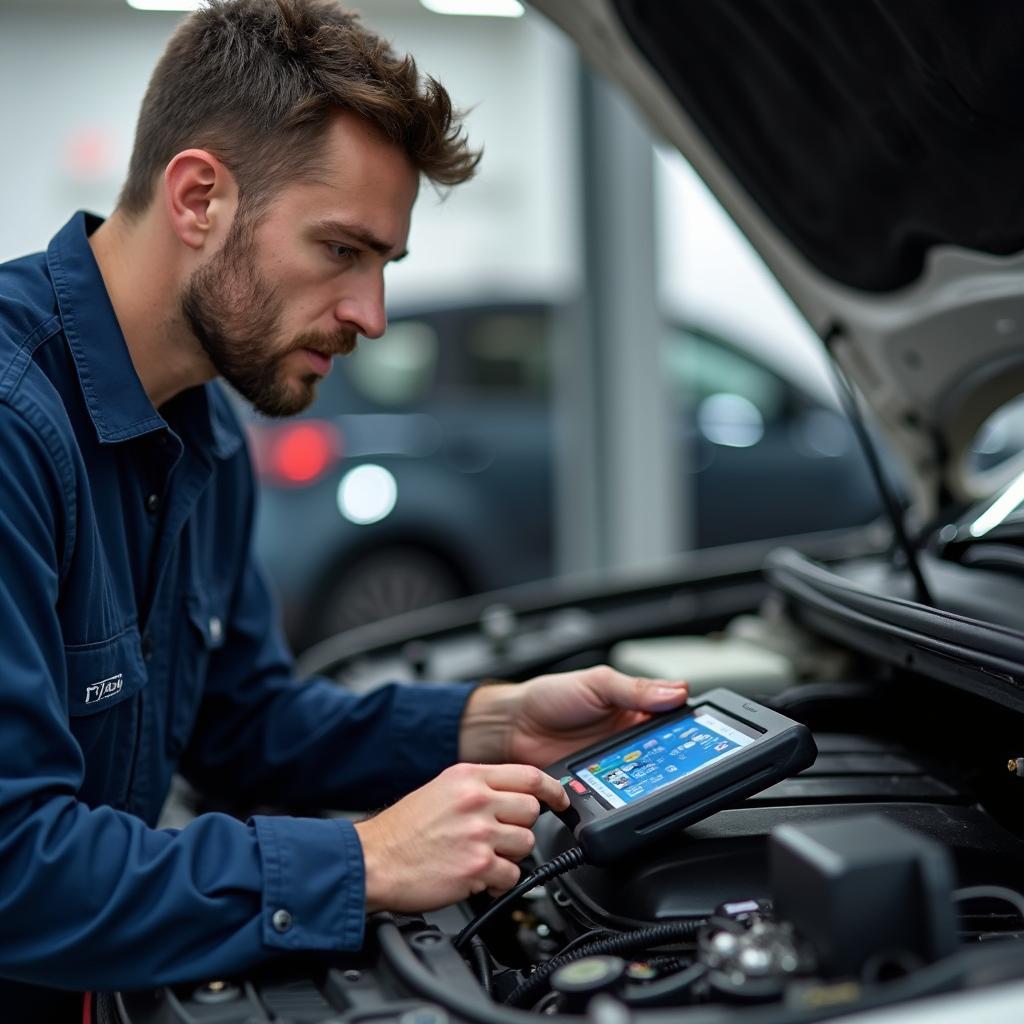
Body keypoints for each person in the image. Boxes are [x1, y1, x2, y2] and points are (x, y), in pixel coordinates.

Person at [0, 0, 689, 1017]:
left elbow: (243, 726)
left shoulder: (205, 429)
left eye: (383, 267)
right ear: (199, 198)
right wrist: (362, 859)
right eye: (340, 251)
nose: (370, 315)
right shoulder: (15, 426)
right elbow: (15, 868)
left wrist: (488, 723)